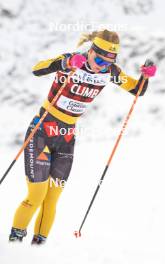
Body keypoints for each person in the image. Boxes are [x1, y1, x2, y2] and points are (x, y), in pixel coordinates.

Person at [9, 29, 156, 245]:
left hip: (66, 138)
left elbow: (137, 90)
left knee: (52, 200)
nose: (101, 66)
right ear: (90, 52)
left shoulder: (110, 72)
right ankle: (15, 244)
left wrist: (145, 76)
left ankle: (36, 251)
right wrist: (64, 64)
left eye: (107, 63)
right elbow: (36, 69)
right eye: (98, 60)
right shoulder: (71, 61)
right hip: (41, 131)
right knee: (37, 195)